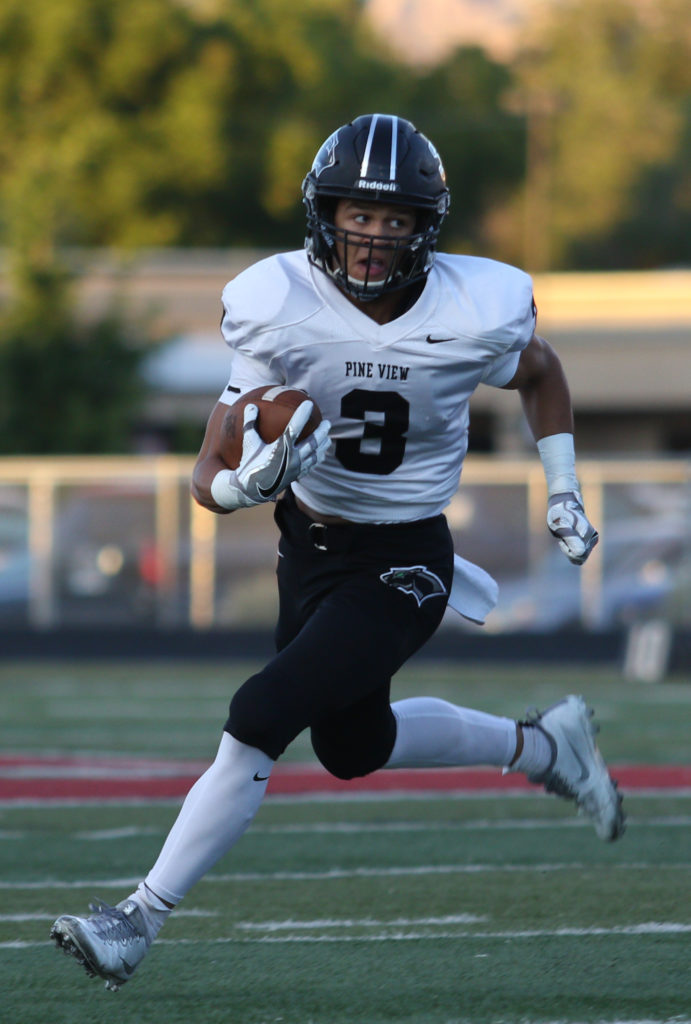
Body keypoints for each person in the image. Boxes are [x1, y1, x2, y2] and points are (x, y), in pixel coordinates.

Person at [51, 113, 625, 991]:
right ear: (325, 213)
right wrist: (247, 486)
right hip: (308, 548)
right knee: (354, 744)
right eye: (358, 213)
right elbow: (210, 463)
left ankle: (137, 915)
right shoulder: (276, 301)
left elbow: (540, 373)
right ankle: (547, 748)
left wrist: (562, 486)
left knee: (261, 712)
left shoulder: (477, 306)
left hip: (405, 557)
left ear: (425, 227)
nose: (372, 235)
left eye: (395, 219)